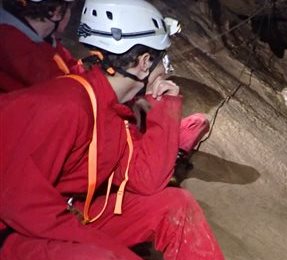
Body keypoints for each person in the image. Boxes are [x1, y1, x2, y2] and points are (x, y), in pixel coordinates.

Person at [0, 0, 281, 260]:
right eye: (161, 57)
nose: (165, 66)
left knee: (173, 204)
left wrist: (165, 106)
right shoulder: (62, 104)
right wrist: (107, 249)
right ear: (144, 62)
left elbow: (147, 180)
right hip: (13, 234)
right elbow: (20, 202)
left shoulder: (110, 105)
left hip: (67, 212)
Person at [0, 0, 209, 174]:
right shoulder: (20, 52)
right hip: (66, 144)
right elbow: (74, 97)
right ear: (55, 11)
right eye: (68, 7)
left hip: (73, 121)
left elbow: (69, 73)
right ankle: (163, 144)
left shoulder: (36, 42)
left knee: (143, 106)